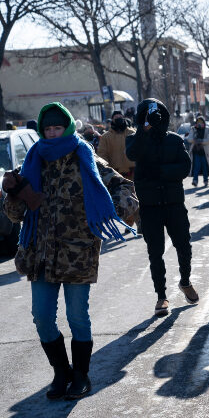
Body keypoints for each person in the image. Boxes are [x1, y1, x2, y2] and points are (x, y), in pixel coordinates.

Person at [2, 102, 138, 400]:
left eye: (57, 128)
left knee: (77, 317)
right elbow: (16, 215)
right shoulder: (33, 162)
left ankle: (81, 375)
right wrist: (13, 194)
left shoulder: (87, 158)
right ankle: (61, 373)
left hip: (78, 251)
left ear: (67, 128)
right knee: (42, 317)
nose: (52, 133)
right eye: (47, 129)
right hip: (39, 252)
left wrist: (109, 210)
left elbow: (125, 190)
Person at [126, 98, 199, 316]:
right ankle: (161, 296)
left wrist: (161, 172)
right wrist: (144, 128)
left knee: (184, 246)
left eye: (157, 117)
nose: (154, 120)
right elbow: (132, 155)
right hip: (150, 207)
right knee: (155, 252)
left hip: (174, 203)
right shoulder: (135, 139)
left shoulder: (175, 140)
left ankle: (185, 281)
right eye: (148, 117)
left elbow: (185, 167)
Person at [97, 111, 136, 180]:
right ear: (112, 119)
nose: (118, 118)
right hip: (115, 174)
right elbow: (102, 154)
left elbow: (140, 150)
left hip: (133, 172)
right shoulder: (105, 137)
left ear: (124, 118)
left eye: (120, 117)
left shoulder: (133, 133)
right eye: (116, 117)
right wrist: (108, 170)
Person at [187, 115, 209, 187]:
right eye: (198, 122)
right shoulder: (193, 129)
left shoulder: (208, 129)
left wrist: (201, 141)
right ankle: (195, 181)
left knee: (205, 167)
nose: (199, 124)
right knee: (196, 167)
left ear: (204, 123)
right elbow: (189, 139)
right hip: (196, 152)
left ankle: (206, 181)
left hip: (205, 152)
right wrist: (195, 140)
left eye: (201, 122)